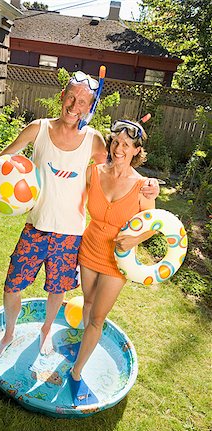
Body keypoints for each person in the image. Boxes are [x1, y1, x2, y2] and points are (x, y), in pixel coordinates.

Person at [0, 73, 159, 360]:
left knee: (57, 292)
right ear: (62, 96)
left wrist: (148, 186)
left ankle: (46, 331)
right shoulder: (38, 128)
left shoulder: (94, 140)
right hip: (35, 228)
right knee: (12, 285)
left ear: (89, 107)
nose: (74, 105)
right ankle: (9, 333)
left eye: (83, 102)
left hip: (70, 236)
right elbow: (0, 157)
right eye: (71, 97)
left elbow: (116, 171)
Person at [68, 118, 157, 406]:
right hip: (89, 247)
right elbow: (69, 193)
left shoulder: (143, 186)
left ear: (136, 150)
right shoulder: (94, 172)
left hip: (116, 261)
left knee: (97, 317)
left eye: (127, 145)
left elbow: (151, 224)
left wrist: (135, 240)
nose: (119, 148)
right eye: (116, 142)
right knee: (88, 301)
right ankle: (81, 347)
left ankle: (77, 372)